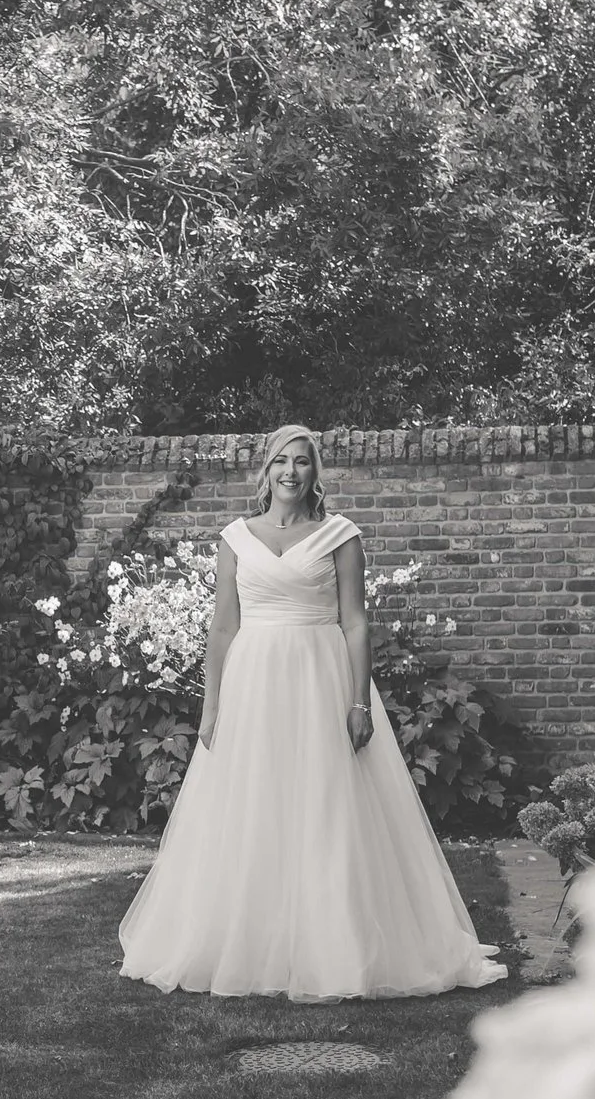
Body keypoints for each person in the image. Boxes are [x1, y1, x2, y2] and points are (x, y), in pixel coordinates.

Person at [117, 426, 507, 1001]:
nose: (291, 473)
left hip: (320, 682)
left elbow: (355, 623)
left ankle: (336, 942)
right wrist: (211, 706)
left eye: (302, 463)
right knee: (255, 808)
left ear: (314, 473)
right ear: (266, 470)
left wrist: (357, 701)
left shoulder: (339, 535)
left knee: (326, 807)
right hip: (254, 686)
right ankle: (253, 940)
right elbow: (223, 627)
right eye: (281, 462)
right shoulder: (234, 538)